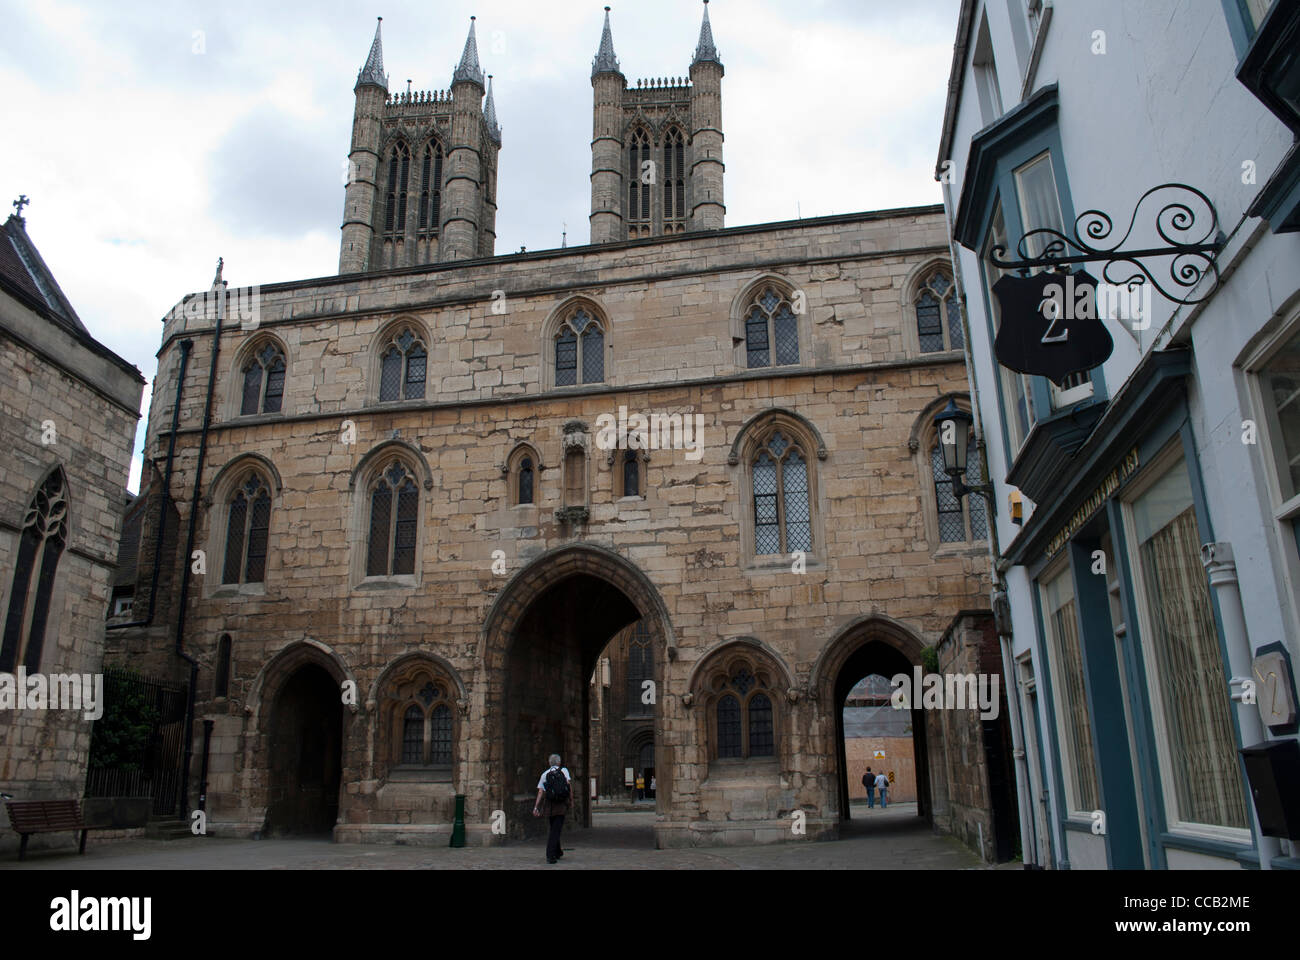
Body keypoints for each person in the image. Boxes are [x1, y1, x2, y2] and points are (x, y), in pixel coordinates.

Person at [533, 753, 572, 864]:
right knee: (556, 830)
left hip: (549, 806)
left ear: (549, 763)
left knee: (554, 828)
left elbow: (541, 792)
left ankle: (558, 851)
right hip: (561, 805)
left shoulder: (545, 774)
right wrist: (571, 801)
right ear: (559, 762)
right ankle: (550, 854)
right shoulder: (564, 771)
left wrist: (536, 807)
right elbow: (568, 786)